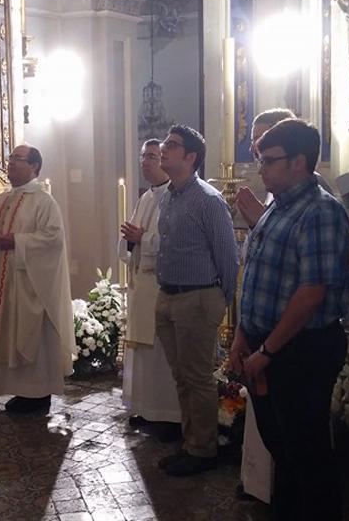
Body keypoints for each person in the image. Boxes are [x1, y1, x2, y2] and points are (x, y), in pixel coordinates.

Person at [231, 119, 349, 520]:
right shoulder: (276, 208)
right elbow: (257, 277)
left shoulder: (319, 211)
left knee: (308, 454)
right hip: (268, 345)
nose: (260, 169)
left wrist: (267, 350)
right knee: (282, 450)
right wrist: (241, 338)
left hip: (301, 350)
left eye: (269, 161)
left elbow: (311, 294)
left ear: (298, 162)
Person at [154, 125, 239, 477]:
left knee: (198, 377)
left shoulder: (208, 200)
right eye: (165, 143)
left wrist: (222, 300)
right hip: (169, 295)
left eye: (172, 146)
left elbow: (228, 257)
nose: (163, 149)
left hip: (198, 297)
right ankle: (191, 442)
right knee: (181, 377)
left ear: (190, 157)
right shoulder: (168, 196)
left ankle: (203, 451)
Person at [0, 145, 74, 414]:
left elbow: (53, 239)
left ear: (34, 167)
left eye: (17, 160)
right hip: (3, 281)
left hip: (30, 284)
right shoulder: (1, 200)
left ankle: (39, 392)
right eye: (10, 160)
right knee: (8, 331)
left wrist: (15, 241)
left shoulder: (44, 201)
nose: (10, 165)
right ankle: (21, 390)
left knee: (32, 334)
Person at [119, 139, 181, 437]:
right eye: (143, 156)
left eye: (153, 156)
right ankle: (144, 407)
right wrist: (132, 240)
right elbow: (131, 241)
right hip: (141, 285)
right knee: (142, 351)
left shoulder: (176, 195)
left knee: (160, 351)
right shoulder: (145, 198)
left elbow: (172, 244)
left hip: (161, 284)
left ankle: (167, 415)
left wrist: (141, 237)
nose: (145, 161)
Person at [236, 108, 333, 229]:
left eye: (259, 138)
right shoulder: (280, 185)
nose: (253, 147)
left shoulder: (319, 197)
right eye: (253, 140)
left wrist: (261, 221)